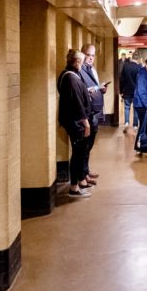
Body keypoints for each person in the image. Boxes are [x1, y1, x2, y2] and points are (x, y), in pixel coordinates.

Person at [57, 49, 94, 197]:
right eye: (82, 61)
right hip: (76, 122)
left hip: (73, 120)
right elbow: (77, 103)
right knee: (78, 153)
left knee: (79, 152)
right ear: (77, 61)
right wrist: (86, 123)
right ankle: (74, 187)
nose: (83, 64)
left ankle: (79, 182)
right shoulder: (71, 78)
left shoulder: (67, 75)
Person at [79, 43, 107, 185]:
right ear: (82, 54)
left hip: (94, 113)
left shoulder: (91, 69)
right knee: (85, 146)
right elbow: (83, 90)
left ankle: (86, 171)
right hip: (87, 115)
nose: (90, 58)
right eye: (88, 55)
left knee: (89, 146)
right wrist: (95, 88)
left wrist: (100, 89)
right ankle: (83, 175)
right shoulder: (80, 71)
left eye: (93, 55)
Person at [118, 53, 141, 133]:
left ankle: (126, 123)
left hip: (127, 90)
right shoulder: (139, 67)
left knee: (127, 107)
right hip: (136, 92)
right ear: (138, 59)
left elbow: (121, 79)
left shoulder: (126, 66)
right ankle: (135, 125)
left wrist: (121, 91)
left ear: (132, 58)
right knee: (136, 108)